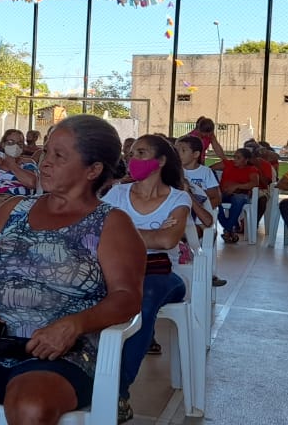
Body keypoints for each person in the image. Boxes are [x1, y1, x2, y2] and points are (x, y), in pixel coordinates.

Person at [0, 115, 145, 423]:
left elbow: (127, 297)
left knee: (30, 406)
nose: (45, 162)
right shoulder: (14, 209)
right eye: (46, 152)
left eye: (59, 156)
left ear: (93, 170)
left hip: (63, 350)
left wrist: (74, 325)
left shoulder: (111, 223)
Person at [98, 134, 192, 420]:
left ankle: (118, 392)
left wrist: (121, 234)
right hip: (118, 270)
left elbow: (167, 241)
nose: (132, 159)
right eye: (132, 153)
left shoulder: (178, 198)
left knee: (144, 299)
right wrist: (152, 233)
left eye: (141, 153)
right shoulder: (116, 195)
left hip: (162, 275)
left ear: (160, 161)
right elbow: (95, 231)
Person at [176, 136, 226, 287]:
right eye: (176, 149)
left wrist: (201, 206)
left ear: (196, 154)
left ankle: (209, 273)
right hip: (179, 215)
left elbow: (215, 197)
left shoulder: (205, 172)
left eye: (183, 150)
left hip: (199, 215)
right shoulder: (174, 172)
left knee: (207, 234)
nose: (178, 153)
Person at [0, 129, 38, 208]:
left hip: (18, 206)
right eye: (11, 142)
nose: (15, 146)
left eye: (20, 143)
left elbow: (32, 183)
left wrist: (12, 165)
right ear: (3, 144)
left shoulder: (27, 163)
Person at [216, 148, 261, 242]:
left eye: (238, 158)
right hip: (224, 194)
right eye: (234, 157)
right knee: (214, 199)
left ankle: (228, 229)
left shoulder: (251, 169)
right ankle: (229, 229)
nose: (235, 160)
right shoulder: (228, 164)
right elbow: (208, 170)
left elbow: (255, 183)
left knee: (238, 199)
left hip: (240, 195)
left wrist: (237, 186)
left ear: (246, 160)